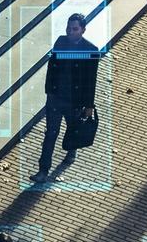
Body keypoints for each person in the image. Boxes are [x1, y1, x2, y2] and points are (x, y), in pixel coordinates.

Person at [31, 12, 99, 183]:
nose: (70, 32)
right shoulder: (60, 42)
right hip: (55, 98)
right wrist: (49, 91)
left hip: (74, 101)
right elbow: (51, 67)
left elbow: (90, 81)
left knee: (72, 129)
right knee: (50, 134)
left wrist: (89, 105)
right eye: (68, 28)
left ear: (83, 30)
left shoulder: (91, 50)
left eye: (74, 29)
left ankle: (72, 150)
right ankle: (43, 170)